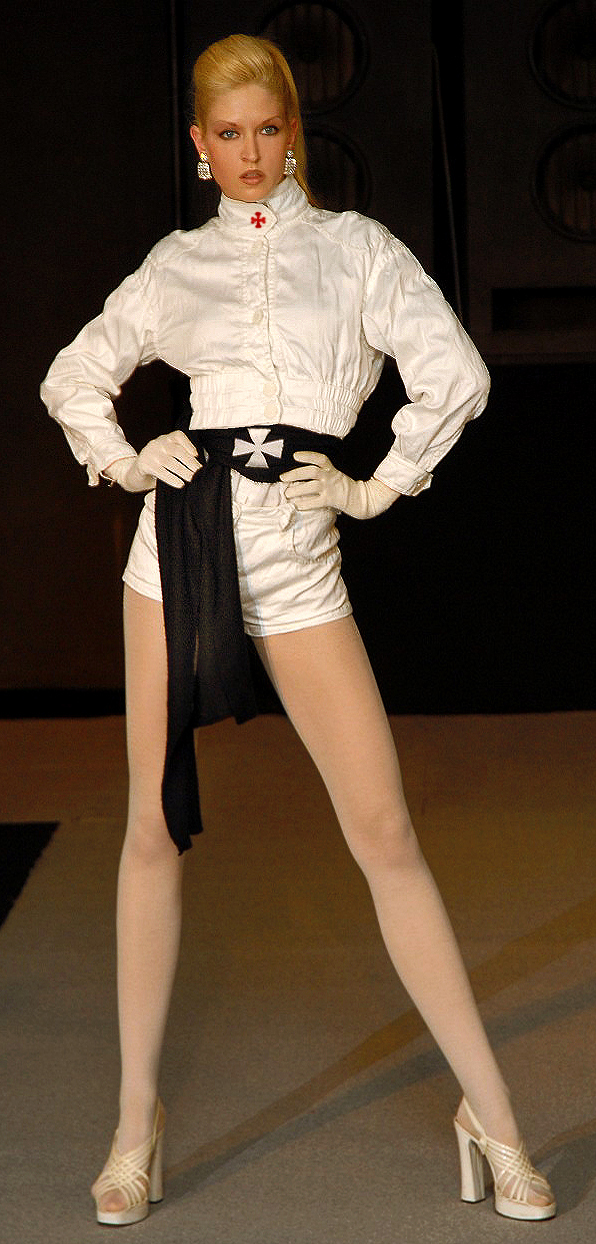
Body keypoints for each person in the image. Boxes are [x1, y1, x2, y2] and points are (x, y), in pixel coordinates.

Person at [40, 33, 556, 1227]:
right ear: (198, 144)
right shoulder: (178, 264)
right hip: (177, 556)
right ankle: (136, 1126)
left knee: (383, 831)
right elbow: (77, 373)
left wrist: (376, 483)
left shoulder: (358, 252)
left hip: (302, 562)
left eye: (267, 128)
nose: (250, 153)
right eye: (227, 134)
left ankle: (492, 1115)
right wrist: (126, 459)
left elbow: (454, 375)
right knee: (154, 828)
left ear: (292, 129)